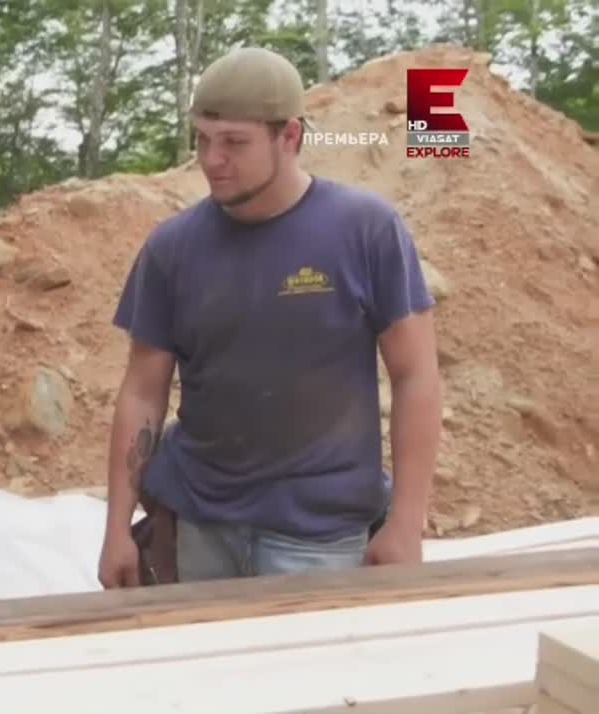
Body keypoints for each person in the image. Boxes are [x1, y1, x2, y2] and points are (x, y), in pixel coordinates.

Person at [98, 47, 443, 587]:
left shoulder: (366, 230)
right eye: (203, 139)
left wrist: (406, 522)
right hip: (200, 528)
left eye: (234, 142)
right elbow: (143, 392)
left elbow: (416, 374)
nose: (212, 159)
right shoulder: (172, 249)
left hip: (321, 535)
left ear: (291, 137)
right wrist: (116, 529)